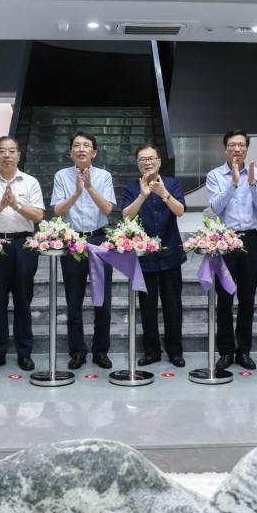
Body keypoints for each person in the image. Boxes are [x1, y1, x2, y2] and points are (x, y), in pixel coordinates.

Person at [0, 136, 45, 372]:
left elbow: (38, 216)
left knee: (24, 300)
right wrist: (1, 206)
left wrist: (15, 205)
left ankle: (24, 353)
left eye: (12, 151)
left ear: (19, 155)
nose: (7, 155)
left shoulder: (30, 182)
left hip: (24, 245)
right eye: (2, 151)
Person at [52, 131, 116, 370]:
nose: (81, 149)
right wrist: (77, 193)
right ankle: (77, 350)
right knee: (74, 298)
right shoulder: (61, 176)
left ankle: (101, 350)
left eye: (86, 145)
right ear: (71, 152)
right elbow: (57, 211)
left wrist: (89, 188)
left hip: (99, 239)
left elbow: (108, 209)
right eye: (77, 145)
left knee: (103, 299)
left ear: (94, 152)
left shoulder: (104, 176)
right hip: (72, 240)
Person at [206, 129, 257, 370]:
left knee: (247, 298)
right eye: (232, 145)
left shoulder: (256, 173)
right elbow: (215, 207)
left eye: (241, 145)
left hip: (250, 241)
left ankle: (243, 350)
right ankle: (226, 351)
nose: (237, 149)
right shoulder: (214, 175)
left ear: (247, 149)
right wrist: (232, 183)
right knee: (224, 298)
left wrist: (251, 183)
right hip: (225, 242)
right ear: (225, 149)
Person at [121, 144, 187, 367]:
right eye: (142, 159)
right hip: (144, 257)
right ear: (138, 164)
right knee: (147, 307)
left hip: (170, 254)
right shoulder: (132, 187)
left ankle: (175, 351)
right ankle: (151, 351)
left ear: (159, 161)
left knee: (173, 306)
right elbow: (126, 216)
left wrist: (164, 194)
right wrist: (143, 195)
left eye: (151, 158)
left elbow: (180, 211)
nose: (147, 162)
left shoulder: (172, 183)